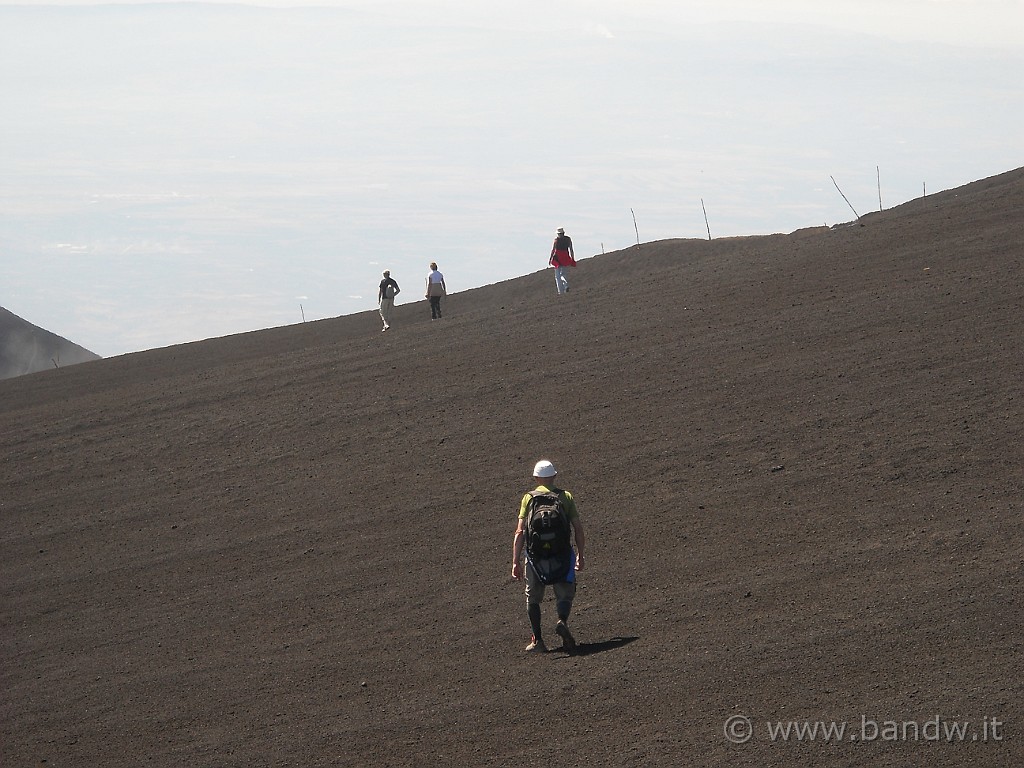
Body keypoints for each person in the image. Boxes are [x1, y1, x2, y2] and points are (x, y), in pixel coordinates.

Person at [511, 459, 586, 653]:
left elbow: (519, 532)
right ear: (554, 476)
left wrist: (515, 562)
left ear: (536, 478)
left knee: (533, 597)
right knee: (565, 593)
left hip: (535, 556)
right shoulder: (565, 496)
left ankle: (538, 641)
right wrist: (580, 554)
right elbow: (578, 528)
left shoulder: (528, 498)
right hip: (561, 553)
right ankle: (562, 620)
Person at [549, 227, 576, 295]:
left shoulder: (556, 240)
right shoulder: (568, 239)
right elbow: (571, 250)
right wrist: (572, 258)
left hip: (558, 258)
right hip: (565, 257)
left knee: (557, 276)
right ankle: (566, 285)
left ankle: (560, 292)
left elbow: (553, 250)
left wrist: (550, 258)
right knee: (564, 274)